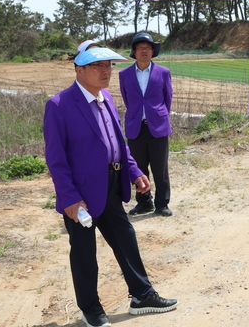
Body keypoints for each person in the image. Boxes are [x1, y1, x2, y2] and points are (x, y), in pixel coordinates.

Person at [43, 47, 178, 327]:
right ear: (79, 71)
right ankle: (90, 308)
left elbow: (117, 143)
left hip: (112, 184)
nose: (106, 72)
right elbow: (56, 159)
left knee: (125, 239)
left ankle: (142, 295)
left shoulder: (106, 98)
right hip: (80, 195)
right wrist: (69, 197)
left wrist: (134, 171)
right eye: (97, 67)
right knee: (84, 252)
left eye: (109, 66)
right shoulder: (59, 105)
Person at [119, 33, 174, 217]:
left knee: (160, 168)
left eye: (148, 47)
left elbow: (168, 98)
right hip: (136, 127)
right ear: (134, 52)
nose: (144, 50)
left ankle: (162, 203)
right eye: (140, 47)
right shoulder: (124, 74)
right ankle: (144, 203)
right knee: (138, 168)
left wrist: (157, 115)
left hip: (157, 126)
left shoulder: (163, 72)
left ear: (152, 51)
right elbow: (127, 99)